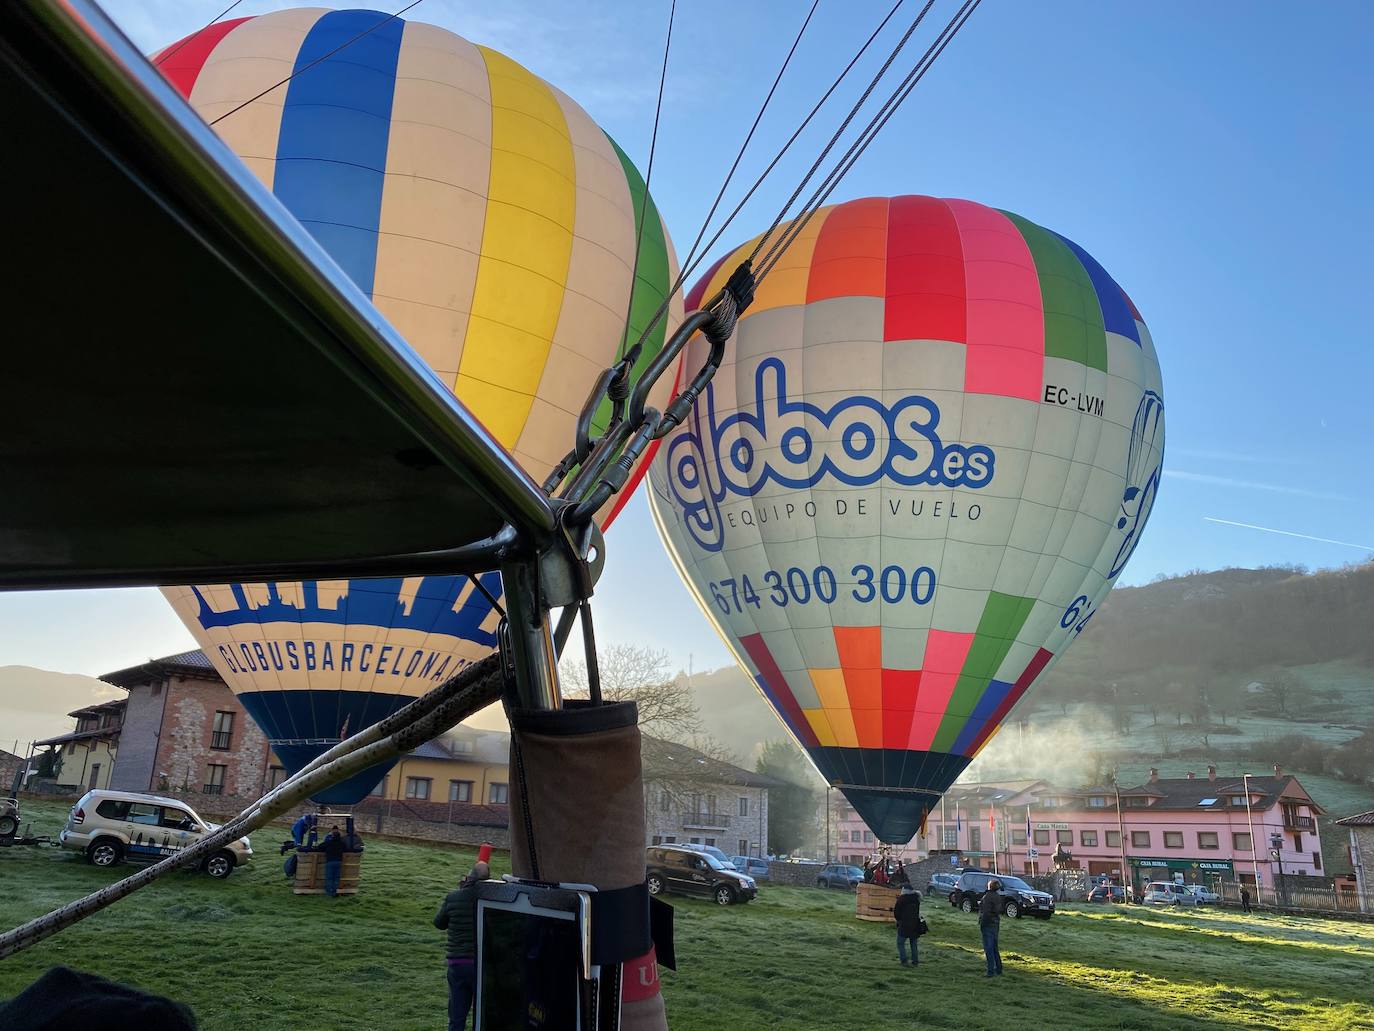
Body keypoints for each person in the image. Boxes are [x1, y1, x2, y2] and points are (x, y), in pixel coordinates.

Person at [435, 860, 489, 1031]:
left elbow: (439, 923)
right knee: (483, 1016)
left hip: (457, 963)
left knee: (457, 1016)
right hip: (481, 967)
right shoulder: (490, 900)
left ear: (469, 877)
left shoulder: (453, 897)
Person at [979, 878, 1003, 977]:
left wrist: (982, 924)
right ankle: (998, 968)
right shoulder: (997, 896)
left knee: (988, 948)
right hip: (995, 923)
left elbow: (986, 913)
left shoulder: (987, 897)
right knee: (994, 947)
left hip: (988, 924)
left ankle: (990, 971)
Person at [893, 885, 922, 967]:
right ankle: (915, 961)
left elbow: (896, 913)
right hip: (915, 924)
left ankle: (904, 960)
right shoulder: (916, 899)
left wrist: (899, 921)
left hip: (904, 924)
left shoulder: (901, 899)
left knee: (900, 943)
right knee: (913, 943)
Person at [319, 824, 347, 897]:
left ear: (332, 835)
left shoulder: (328, 842)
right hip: (339, 862)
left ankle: (329, 893)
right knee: (336, 878)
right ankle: (334, 892)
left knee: (329, 878)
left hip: (330, 861)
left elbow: (319, 847)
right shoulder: (342, 844)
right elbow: (347, 849)